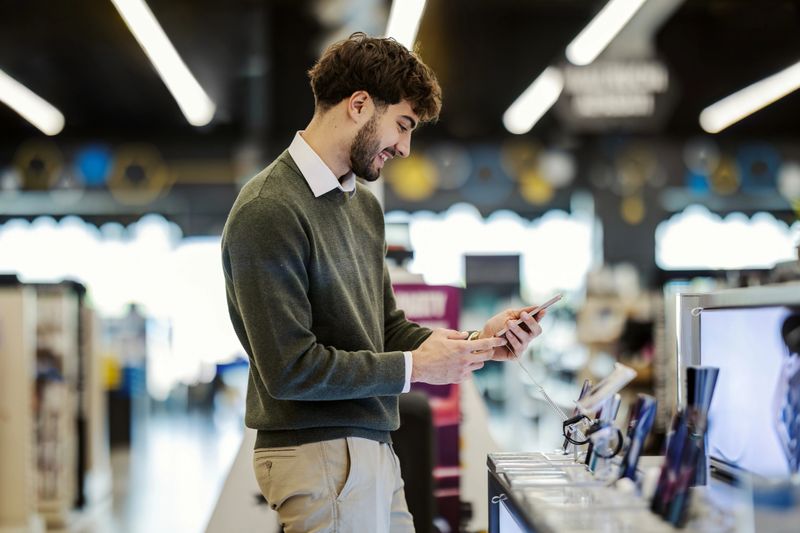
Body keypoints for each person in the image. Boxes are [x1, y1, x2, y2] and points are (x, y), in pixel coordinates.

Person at [221, 32, 548, 533]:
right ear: (358, 105)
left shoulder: (363, 208)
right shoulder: (269, 209)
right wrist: (414, 366)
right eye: (402, 124)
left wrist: (478, 344)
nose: (405, 146)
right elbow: (289, 369)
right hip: (318, 455)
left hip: (373, 448)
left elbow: (386, 329)